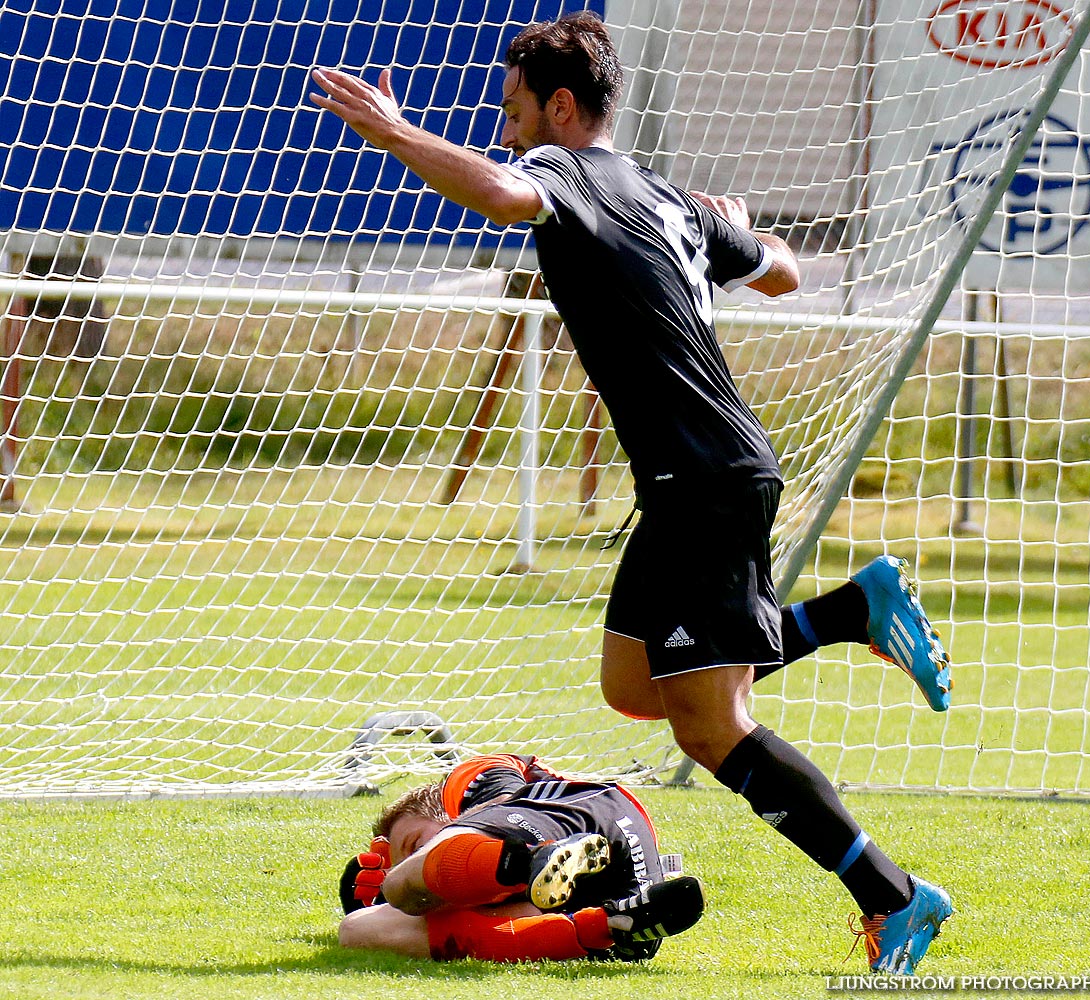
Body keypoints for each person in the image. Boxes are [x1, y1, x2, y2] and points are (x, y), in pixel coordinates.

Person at [311, 11, 953, 974]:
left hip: (704, 480)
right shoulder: (661, 194)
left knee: (709, 726)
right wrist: (737, 226)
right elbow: (782, 271)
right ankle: (847, 611)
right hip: (691, 480)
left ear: (561, 108)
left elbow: (495, 193)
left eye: (516, 111)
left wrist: (396, 133)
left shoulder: (568, 177)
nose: (507, 132)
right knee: (631, 688)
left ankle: (893, 898)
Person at [337, 752, 705, 962]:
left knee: (403, 887)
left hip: (584, 816)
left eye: (415, 842)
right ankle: (607, 926)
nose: (414, 856)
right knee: (358, 930)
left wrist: (392, 885)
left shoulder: (467, 786)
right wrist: (371, 903)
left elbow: (505, 780)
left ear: (445, 811)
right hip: (630, 893)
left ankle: (527, 861)